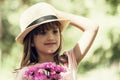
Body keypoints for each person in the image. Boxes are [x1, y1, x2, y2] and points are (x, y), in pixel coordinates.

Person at [15, 2, 99, 80]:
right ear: (31, 41)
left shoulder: (68, 61)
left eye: (55, 31)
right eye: (43, 33)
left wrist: (56, 13)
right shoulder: (26, 73)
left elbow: (92, 27)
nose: (51, 37)